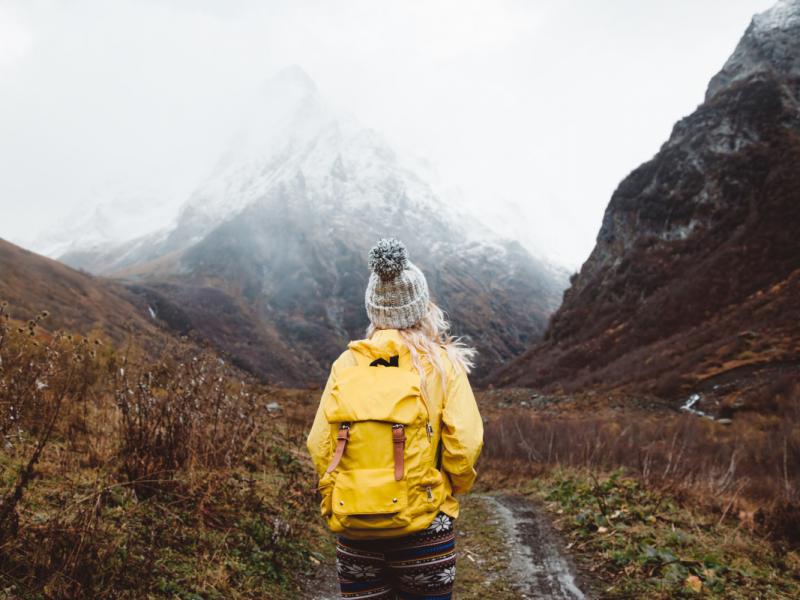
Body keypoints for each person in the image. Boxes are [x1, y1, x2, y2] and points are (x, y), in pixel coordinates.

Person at [307, 237, 484, 599]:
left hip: (355, 529)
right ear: (421, 307)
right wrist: (451, 488)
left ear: (373, 310)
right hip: (425, 529)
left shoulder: (346, 364)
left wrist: (335, 497)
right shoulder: (442, 364)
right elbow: (465, 444)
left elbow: (319, 444)